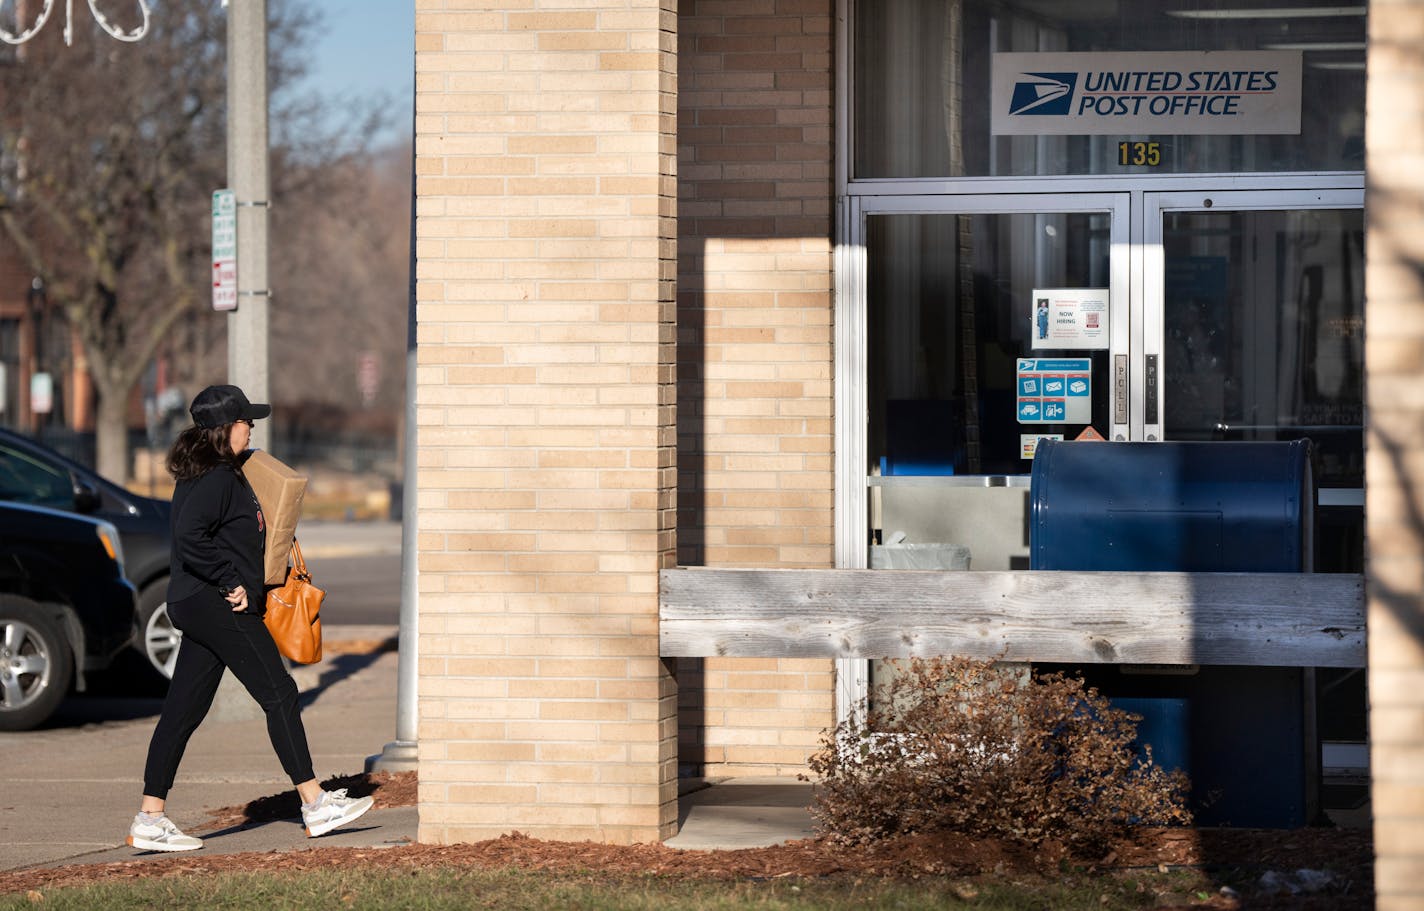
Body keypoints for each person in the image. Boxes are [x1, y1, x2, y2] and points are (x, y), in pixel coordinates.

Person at [127, 384, 373, 853]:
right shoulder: (216, 477)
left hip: (198, 602)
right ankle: (315, 802)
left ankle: (149, 818)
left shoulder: (210, 471)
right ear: (225, 429)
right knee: (279, 692)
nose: (252, 427)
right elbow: (190, 537)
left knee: (183, 710)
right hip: (216, 604)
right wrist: (229, 581)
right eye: (246, 421)